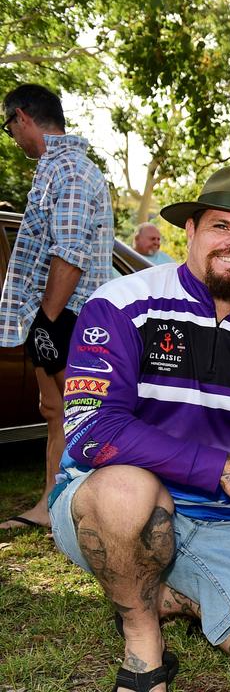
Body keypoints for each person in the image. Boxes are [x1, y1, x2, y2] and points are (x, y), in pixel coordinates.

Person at [47, 165, 230, 691]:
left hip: (223, 526)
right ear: (192, 231)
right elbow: (90, 428)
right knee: (129, 489)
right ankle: (142, 637)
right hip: (112, 505)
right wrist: (219, 466)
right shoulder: (121, 304)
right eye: (221, 226)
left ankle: (170, 592)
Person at [0, 83, 114, 531]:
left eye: (8, 125)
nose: (10, 135)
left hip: (69, 312)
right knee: (56, 410)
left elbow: (69, 252)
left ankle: (90, 510)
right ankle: (51, 506)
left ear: (23, 116)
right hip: (54, 313)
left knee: (78, 413)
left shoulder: (70, 169)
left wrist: (48, 321)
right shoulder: (55, 168)